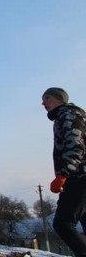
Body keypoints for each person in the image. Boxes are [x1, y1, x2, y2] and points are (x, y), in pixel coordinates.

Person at [42, 87, 86, 256]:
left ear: (57, 99)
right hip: (79, 175)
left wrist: (63, 175)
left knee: (63, 224)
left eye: (46, 99)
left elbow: (75, 147)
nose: (43, 103)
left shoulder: (68, 115)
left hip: (79, 177)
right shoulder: (69, 115)